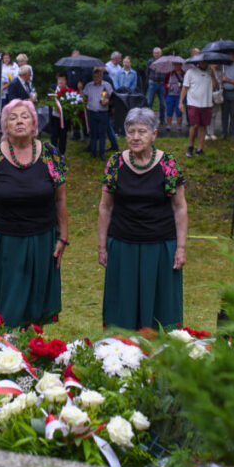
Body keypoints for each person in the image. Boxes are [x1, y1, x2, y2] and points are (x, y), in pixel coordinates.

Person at [0, 99, 68, 327]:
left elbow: (60, 200)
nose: (19, 121)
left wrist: (62, 237)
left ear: (34, 124)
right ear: (5, 126)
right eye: (13, 117)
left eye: (25, 116)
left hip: (40, 239)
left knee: (30, 301)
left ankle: (25, 349)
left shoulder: (51, 154)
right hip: (1, 239)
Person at [97, 107, 187, 330]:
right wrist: (102, 246)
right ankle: (121, 351)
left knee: (160, 304)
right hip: (122, 245)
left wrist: (181, 248)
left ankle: (160, 350)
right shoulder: (115, 163)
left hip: (159, 246)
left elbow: (180, 208)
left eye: (142, 131)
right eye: (131, 132)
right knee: (122, 304)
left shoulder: (168, 164)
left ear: (154, 134)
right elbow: (105, 207)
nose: (135, 137)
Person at [179, 59, 214, 157]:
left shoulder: (210, 72)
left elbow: (215, 86)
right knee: (194, 125)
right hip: (193, 103)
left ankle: (200, 149)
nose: (204, 63)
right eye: (202, 62)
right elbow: (185, 87)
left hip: (207, 104)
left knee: (203, 126)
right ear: (198, 62)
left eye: (206, 62)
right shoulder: (190, 72)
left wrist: (212, 75)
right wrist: (181, 102)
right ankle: (190, 147)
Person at [82, 67, 114, 159]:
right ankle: (93, 152)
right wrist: (80, 90)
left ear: (101, 76)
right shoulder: (89, 86)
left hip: (103, 113)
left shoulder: (107, 85)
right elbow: (84, 97)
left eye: (98, 77)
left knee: (102, 134)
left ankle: (102, 152)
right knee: (93, 133)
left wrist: (107, 101)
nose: (96, 79)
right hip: (91, 112)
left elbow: (113, 97)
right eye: (94, 77)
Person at [49, 73, 77, 155]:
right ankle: (53, 153)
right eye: (59, 79)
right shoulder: (53, 88)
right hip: (54, 117)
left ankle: (62, 153)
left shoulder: (69, 91)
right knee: (54, 136)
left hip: (65, 118)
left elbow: (73, 104)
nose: (60, 81)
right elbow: (49, 100)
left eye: (62, 79)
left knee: (63, 136)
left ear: (66, 81)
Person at [146, 47, 166, 123]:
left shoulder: (164, 62)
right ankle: (147, 119)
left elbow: (166, 72)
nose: (156, 54)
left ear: (161, 54)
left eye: (158, 53)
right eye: (155, 53)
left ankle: (162, 119)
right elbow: (147, 72)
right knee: (149, 102)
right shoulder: (150, 61)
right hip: (152, 83)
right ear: (153, 54)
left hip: (161, 83)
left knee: (162, 103)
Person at [164, 62, 185, 133]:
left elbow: (186, 84)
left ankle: (179, 126)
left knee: (179, 111)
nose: (176, 66)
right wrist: (167, 85)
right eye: (175, 65)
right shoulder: (169, 73)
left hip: (179, 95)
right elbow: (164, 82)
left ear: (181, 65)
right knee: (169, 111)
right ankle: (168, 125)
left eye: (178, 64)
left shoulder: (183, 74)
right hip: (170, 95)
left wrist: (182, 85)